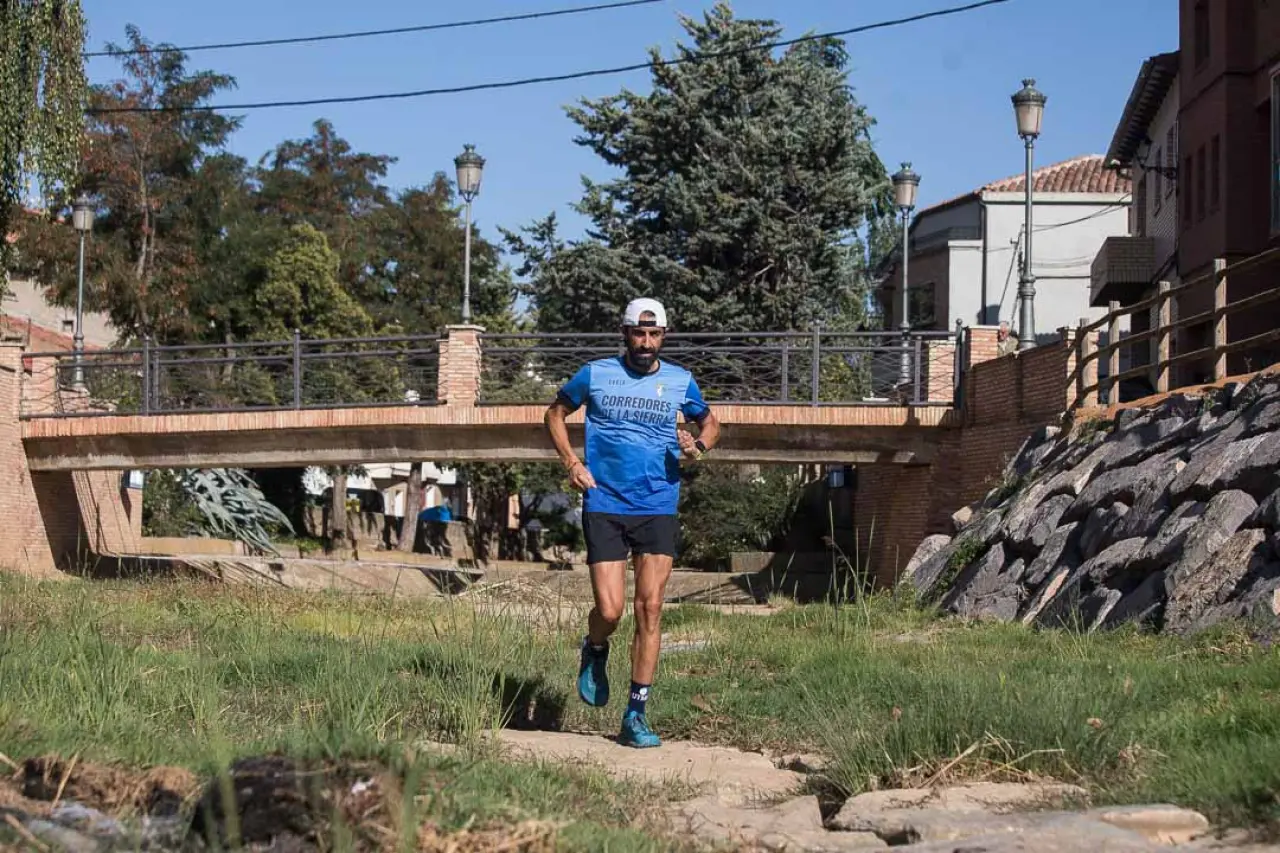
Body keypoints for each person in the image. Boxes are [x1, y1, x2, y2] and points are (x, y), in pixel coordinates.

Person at [543, 297, 720, 748]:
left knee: (650, 608)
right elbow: (554, 413)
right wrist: (571, 463)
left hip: (658, 503)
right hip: (604, 501)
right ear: (625, 334)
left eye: (654, 334)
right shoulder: (595, 374)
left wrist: (697, 448)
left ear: (664, 336)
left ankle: (635, 715)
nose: (646, 342)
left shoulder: (680, 381)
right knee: (610, 611)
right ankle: (594, 647)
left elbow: (711, 424)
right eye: (638, 333)